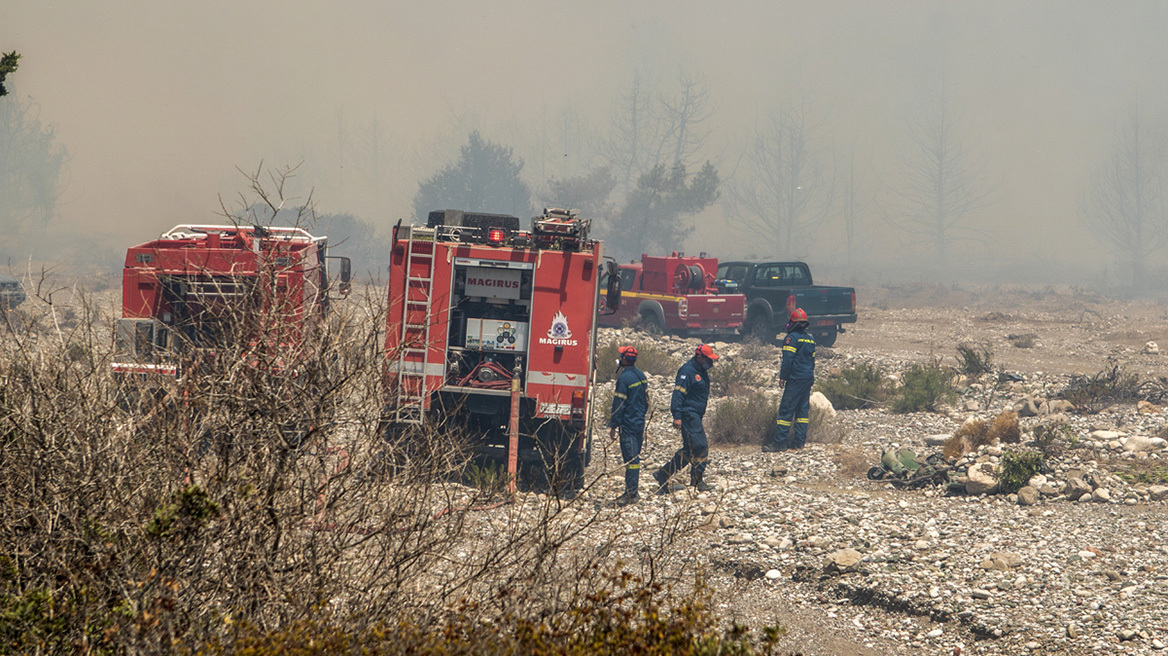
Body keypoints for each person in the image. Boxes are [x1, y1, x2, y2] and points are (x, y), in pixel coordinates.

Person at [653, 344, 718, 493]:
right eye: (708, 359)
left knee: (689, 450)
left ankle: (663, 474)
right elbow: (678, 394)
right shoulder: (687, 371)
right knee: (701, 446)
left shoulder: (701, 370)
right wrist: (677, 416)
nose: (710, 363)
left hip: (696, 414)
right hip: (688, 414)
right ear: (699, 357)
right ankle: (697, 480)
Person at [764, 308, 816, 452]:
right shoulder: (810, 338)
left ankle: (779, 443)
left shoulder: (791, 338)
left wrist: (783, 377)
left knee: (786, 411)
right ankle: (799, 443)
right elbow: (812, 361)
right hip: (807, 378)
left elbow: (788, 360)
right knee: (802, 412)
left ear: (793, 323)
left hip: (795, 379)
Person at [608, 345, 649, 506]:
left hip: (629, 424)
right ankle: (632, 492)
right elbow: (646, 401)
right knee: (634, 456)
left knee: (631, 459)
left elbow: (618, 404)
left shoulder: (624, 379)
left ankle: (631, 494)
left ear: (624, 359)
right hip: (639, 422)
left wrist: (613, 425)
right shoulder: (641, 376)